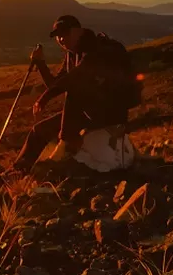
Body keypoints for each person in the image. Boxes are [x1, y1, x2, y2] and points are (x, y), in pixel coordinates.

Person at [11, 15, 141, 172]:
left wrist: (43, 99)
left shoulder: (96, 49)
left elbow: (74, 78)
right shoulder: (72, 54)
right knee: (39, 130)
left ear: (78, 31)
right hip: (86, 112)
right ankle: (17, 172)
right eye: (58, 36)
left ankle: (65, 146)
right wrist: (40, 63)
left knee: (74, 88)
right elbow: (56, 83)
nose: (61, 39)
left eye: (65, 34)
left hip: (110, 112)